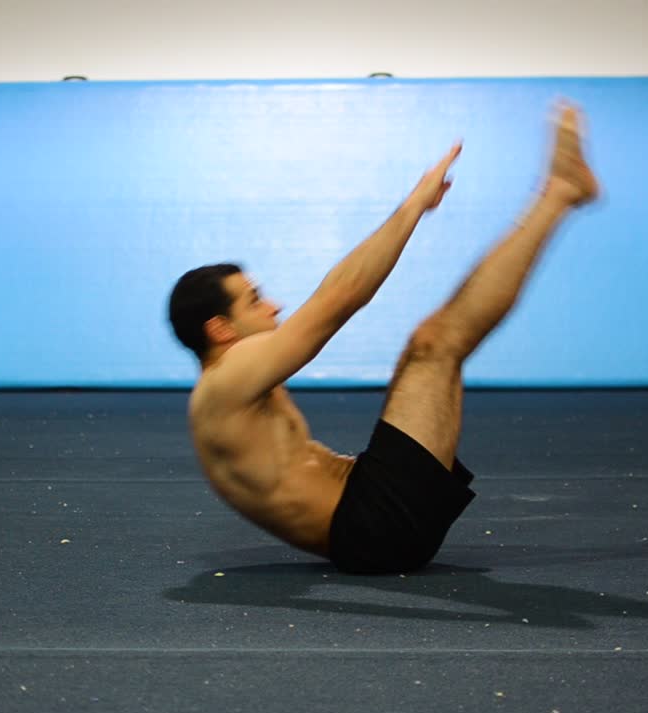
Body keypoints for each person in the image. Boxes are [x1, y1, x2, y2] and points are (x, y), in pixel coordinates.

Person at [168, 103, 599, 574]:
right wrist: (413, 206)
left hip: (372, 509)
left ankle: (559, 194)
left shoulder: (229, 390)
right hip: (375, 527)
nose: (273, 306)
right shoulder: (226, 379)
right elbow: (339, 299)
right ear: (220, 329)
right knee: (434, 346)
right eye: (254, 300)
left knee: (435, 348)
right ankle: (558, 193)